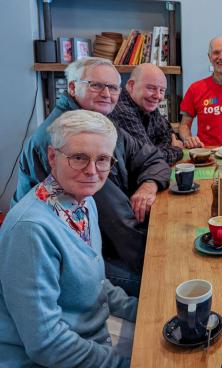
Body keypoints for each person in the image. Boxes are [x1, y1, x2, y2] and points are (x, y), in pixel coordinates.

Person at [13, 57, 170, 297]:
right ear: (73, 87)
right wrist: (161, 255)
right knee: (168, 281)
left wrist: (149, 185)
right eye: (96, 85)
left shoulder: (101, 125)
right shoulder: (65, 136)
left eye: (112, 87)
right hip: (69, 262)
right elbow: (117, 224)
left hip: (100, 243)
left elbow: (152, 158)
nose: (107, 94)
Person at [0, 110, 137, 367]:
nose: (92, 171)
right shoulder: (31, 230)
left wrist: (141, 310)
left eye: (103, 159)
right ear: (53, 157)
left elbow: (98, 285)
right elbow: (47, 344)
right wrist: (124, 363)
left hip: (92, 336)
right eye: (78, 158)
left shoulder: (83, 202)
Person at [109, 63, 184, 164]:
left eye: (162, 90)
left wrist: (155, 149)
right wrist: (176, 149)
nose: (157, 96)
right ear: (131, 85)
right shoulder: (122, 110)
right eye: (151, 88)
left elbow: (169, 135)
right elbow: (149, 159)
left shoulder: (146, 104)